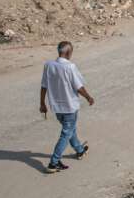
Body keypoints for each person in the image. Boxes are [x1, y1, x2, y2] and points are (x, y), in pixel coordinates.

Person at [39, 41, 95, 174]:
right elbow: (78, 87)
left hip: (57, 107)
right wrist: (88, 97)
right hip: (70, 107)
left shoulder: (48, 65)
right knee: (66, 133)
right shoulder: (70, 67)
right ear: (69, 52)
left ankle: (80, 150)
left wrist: (42, 103)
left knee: (70, 130)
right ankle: (54, 162)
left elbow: (43, 86)